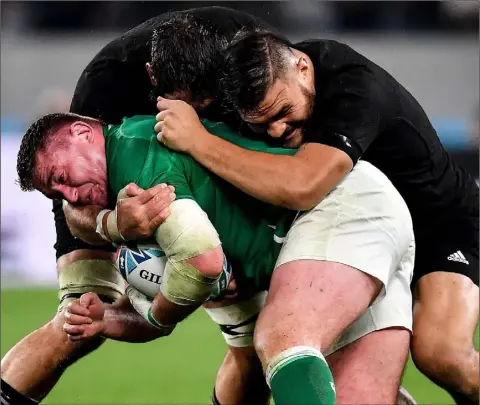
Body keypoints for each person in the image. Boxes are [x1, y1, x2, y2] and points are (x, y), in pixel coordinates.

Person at [154, 29, 479, 405]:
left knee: (442, 354)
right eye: (261, 124)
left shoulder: (354, 88)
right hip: (359, 237)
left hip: (440, 226)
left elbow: (303, 185)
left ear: (303, 68)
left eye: (282, 113)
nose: (276, 130)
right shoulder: (257, 82)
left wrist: (198, 140)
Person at [17, 112, 415, 404]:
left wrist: (159, 312)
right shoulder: (131, 163)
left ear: (84, 133)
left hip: (339, 212)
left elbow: (200, 265)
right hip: (348, 223)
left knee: (282, 339)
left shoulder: (137, 165)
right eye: (56, 195)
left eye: (61, 177)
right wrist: (110, 317)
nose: (68, 196)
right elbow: (186, 285)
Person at [0, 9, 277, 405]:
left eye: (205, 103)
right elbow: (74, 206)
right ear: (152, 79)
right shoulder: (105, 90)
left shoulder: (250, 64)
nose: (195, 113)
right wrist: (112, 224)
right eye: (182, 104)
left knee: (255, 341)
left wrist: (227, 258)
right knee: (80, 319)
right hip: (122, 198)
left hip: (215, 195)